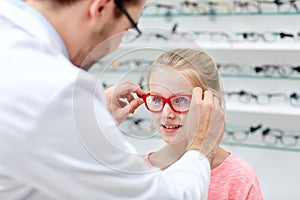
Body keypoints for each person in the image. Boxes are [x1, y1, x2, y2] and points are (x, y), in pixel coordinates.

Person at [0, 0, 225, 199]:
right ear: (100, 7)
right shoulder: (55, 92)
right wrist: (202, 144)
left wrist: (92, 122)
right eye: (128, 28)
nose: (117, 44)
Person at [143, 49, 263, 200]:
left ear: (212, 103)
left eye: (180, 100)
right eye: (157, 99)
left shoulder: (238, 177)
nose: (167, 114)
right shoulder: (138, 170)